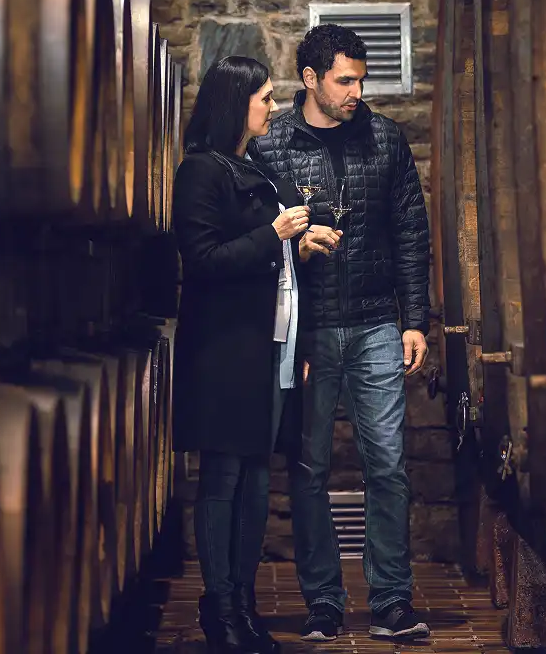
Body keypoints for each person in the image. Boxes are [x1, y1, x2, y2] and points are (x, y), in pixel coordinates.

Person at [249, 24, 432, 641]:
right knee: (309, 467)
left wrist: (415, 323)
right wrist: (296, 244)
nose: (357, 91)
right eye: (344, 80)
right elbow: (250, 240)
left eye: (361, 79)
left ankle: (390, 600)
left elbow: (411, 233)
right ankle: (324, 601)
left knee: (388, 465)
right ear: (310, 80)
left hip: (379, 321)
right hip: (309, 330)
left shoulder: (384, 138)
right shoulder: (272, 148)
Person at [172, 55, 329, 654]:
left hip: (271, 349)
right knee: (224, 478)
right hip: (226, 351)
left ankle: (244, 600)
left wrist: (302, 243)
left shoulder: (248, 166)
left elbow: (271, 246)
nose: (272, 105)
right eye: (263, 96)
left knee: (257, 483)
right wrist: (276, 236)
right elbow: (205, 261)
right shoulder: (199, 173)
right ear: (234, 102)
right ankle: (221, 608)